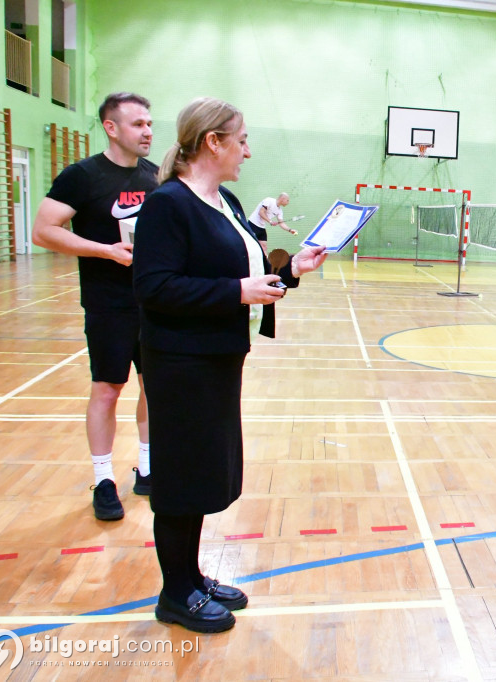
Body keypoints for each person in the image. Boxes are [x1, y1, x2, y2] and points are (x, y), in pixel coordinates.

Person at [133, 98, 327, 633]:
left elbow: (249, 277)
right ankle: (175, 594)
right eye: (241, 140)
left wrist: (292, 272)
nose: (248, 150)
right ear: (212, 142)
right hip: (179, 362)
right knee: (179, 477)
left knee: (200, 471)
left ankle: (191, 577)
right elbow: (154, 286)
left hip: (217, 358)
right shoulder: (168, 204)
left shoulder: (225, 201)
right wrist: (237, 290)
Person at [31, 92, 157, 521]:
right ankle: (103, 479)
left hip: (154, 303)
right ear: (111, 127)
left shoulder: (155, 176)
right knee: (107, 388)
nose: (147, 131)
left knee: (153, 386)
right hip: (108, 304)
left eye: (149, 123)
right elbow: (44, 231)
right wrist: (105, 251)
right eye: (138, 124)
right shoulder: (81, 176)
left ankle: (147, 466)